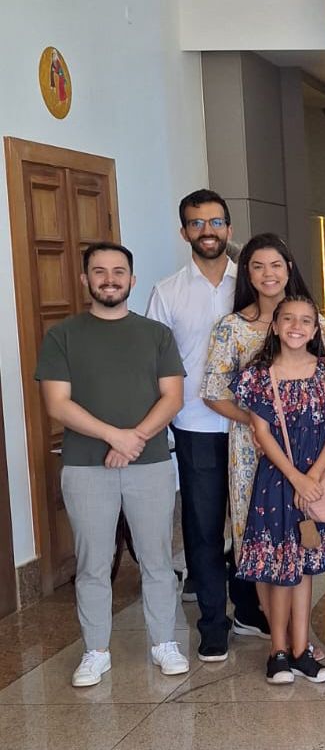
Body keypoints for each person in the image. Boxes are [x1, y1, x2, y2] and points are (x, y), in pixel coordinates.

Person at [36, 242, 187, 687]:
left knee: (157, 558)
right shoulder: (63, 336)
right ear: (86, 280)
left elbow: (172, 397)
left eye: (118, 271)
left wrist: (133, 439)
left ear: (132, 280)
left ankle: (164, 642)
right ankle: (96, 651)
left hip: (150, 463)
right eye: (99, 271)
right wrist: (113, 436)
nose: (109, 279)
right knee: (93, 563)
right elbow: (57, 404)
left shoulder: (156, 335)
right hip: (86, 466)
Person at [202, 234, 325, 653]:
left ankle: (299, 641)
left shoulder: (314, 320)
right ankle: (280, 641)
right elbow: (213, 392)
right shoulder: (231, 328)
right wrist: (260, 421)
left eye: (276, 265)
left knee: (303, 535)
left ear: (289, 268)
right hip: (252, 450)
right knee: (259, 541)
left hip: (307, 450)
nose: (268, 274)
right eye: (258, 266)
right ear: (247, 273)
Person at [146, 188, 262, 662]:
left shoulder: (252, 283)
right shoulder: (167, 292)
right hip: (195, 424)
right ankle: (213, 623)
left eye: (215, 222)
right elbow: (155, 363)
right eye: (197, 223)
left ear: (229, 229)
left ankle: (249, 610)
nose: (207, 231)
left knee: (251, 522)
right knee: (203, 527)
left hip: (252, 426)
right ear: (184, 232)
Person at [233, 298, 325, 684]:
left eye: (305, 321)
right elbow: (262, 433)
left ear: (316, 330)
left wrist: (313, 477)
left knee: (304, 566)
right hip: (276, 481)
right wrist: (296, 478)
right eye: (288, 319)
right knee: (279, 567)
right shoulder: (259, 375)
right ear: (275, 326)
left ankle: (302, 651)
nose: (296, 326)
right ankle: (278, 652)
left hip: (315, 479)